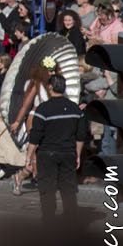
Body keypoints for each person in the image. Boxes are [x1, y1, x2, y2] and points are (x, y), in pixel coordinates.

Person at [26, 72, 83, 223]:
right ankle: (71, 221)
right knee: (68, 189)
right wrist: (78, 154)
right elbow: (81, 135)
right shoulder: (74, 109)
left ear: (50, 87)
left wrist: (29, 156)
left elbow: (35, 135)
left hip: (47, 153)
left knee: (47, 189)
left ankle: (49, 220)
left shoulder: (43, 109)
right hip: (68, 152)